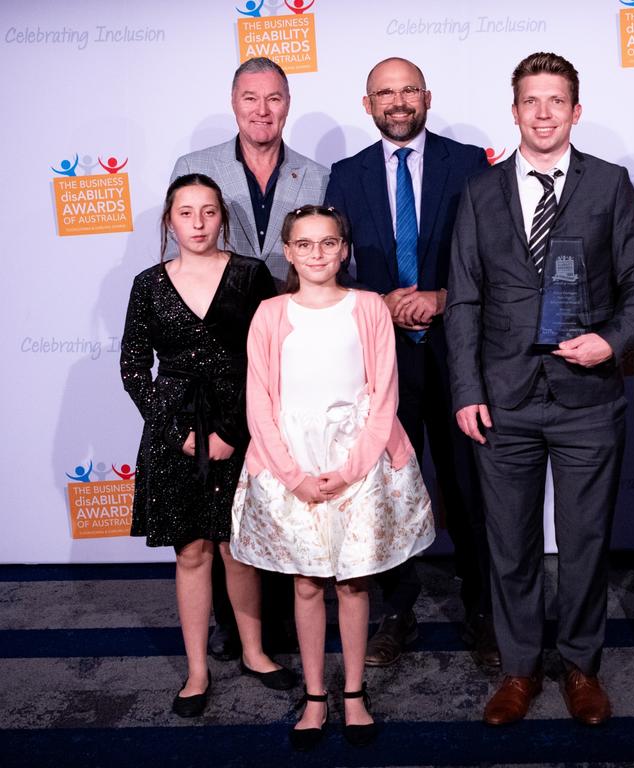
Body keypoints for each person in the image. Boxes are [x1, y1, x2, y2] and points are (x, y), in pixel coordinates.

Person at [446, 52, 634, 726]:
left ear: (576, 109)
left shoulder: (609, 184)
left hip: (586, 396)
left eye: (556, 101)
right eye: (531, 102)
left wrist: (612, 341)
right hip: (504, 398)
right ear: (514, 112)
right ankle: (518, 669)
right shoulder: (479, 193)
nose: (543, 113)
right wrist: (466, 389)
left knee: (585, 541)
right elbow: (464, 300)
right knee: (509, 544)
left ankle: (581, 666)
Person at [231, 205, 435, 751]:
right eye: (305, 244)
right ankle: (316, 696)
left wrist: (351, 469)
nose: (317, 254)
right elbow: (260, 403)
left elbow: (384, 395)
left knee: (353, 581)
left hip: (358, 465)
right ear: (289, 252)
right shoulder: (271, 313)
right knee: (305, 582)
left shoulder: (368, 307)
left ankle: (354, 694)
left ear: (344, 249)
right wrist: (293, 475)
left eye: (328, 243)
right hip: (291, 464)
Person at [323, 58, 495, 668]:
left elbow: (494, 255)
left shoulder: (471, 163)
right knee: (388, 491)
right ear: (367, 103)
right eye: (384, 93)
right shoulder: (345, 176)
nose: (398, 102)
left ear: (427, 97)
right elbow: (330, 267)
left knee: (470, 489)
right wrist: (380, 301)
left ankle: (484, 612)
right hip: (378, 362)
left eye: (408, 91)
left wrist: (444, 296)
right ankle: (396, 612)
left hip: (460, 357)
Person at [170, 56, 330, 660]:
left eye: (273, 99)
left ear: (286, 104)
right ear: (233, 102)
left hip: (293, 352)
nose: (262, 111)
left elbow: (325, 258)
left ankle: (283, 621)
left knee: (280, 483)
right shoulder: (196, 169)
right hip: (217, 362)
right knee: (223, 494)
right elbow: (179, 267)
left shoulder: (316, 173)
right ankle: (231, 627)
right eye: (250, 98)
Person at [120, 174, 295, 718]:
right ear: (168, 221)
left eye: (209, 212)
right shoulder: (148, 283)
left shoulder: (251, 274)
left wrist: (231, 432)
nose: (197, 223)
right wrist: (180, 435)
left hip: (242, 425)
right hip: (173, 436)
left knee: (237, 548)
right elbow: (133, 369)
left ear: (223, 217)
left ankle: (254, 651)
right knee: (191, 551)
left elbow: (273, 359)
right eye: (185, 213)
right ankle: (197, 669)